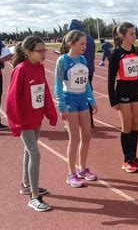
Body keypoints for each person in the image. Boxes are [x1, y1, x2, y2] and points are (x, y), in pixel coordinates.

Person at [6, 36, 57, 212]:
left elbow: (45, 91)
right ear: (28, 52)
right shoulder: (20, 70)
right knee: (35, 154)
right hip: (25, 121)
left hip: (36, 119)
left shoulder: (40, 68)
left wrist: (50, 113)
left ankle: (26, 185)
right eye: (40, 51)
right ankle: (34, 196)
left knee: (30, 151)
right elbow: (11, 99)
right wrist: (16, 124)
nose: (44, 54)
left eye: (45, 50)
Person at [54, 30, 98, 188]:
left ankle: (82, 169)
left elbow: (86, 83)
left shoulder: (83, 59)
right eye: (81, 43)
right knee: (75, 139)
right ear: (71, 44)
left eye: (85, 43)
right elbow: (58, 85)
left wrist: (91, 100)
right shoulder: (63, 60)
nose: (85, 46)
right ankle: (71, 174)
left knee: (86, 136)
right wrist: (61, 105)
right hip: (69, 100)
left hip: (82, 100)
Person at [108, 22, 138, 173]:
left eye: (135, 33)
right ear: (122, 35)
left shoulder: (137, 50)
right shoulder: (116, 54)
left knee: (135, 124)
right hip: (123, 92)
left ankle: (133, 157)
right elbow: (111, 78)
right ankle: (126, 160)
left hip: (135, 91)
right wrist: (113, 99)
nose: (135, 36)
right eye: (131, 33)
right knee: (126, 125)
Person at [69, 19, 96, 128]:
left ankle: (78, 121)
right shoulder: (89, 38)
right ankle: (89, 121)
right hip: (89, 69)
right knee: (87, 93)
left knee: (75, 95)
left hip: (76, 70)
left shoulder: (74, 38)